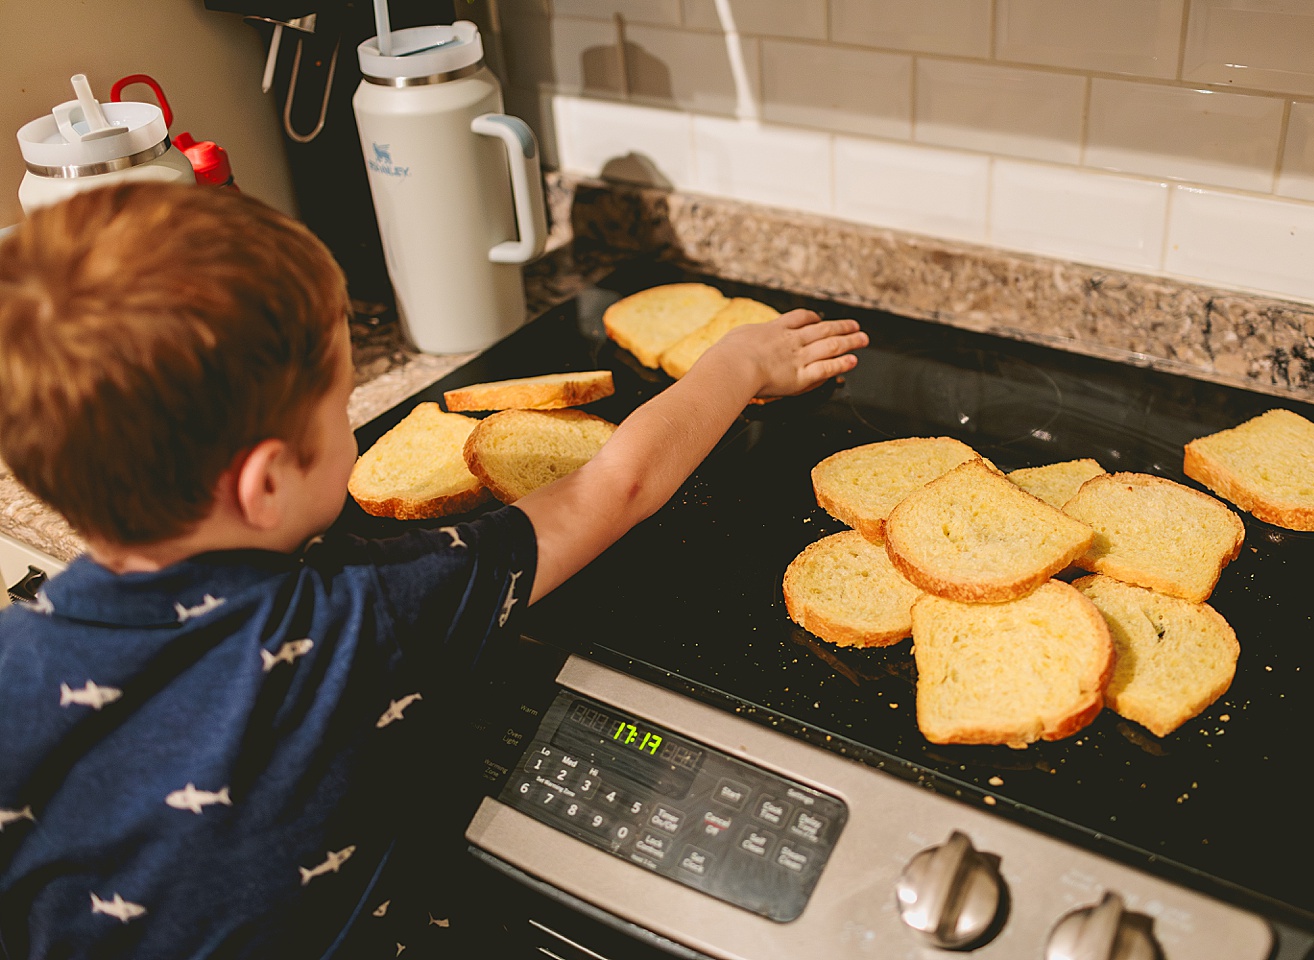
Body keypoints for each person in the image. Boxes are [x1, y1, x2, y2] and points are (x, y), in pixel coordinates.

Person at [0, 182, 867, 959]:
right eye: (340, 404)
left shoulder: (13, 657)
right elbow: (615, 487)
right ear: (266, 484)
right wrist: (738, 362)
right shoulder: (358, 619)